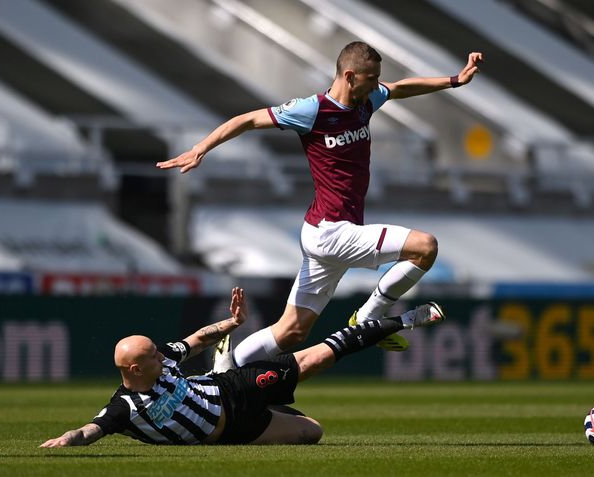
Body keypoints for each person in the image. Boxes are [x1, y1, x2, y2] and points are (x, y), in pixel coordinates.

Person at [157, 41, 483, 364]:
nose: (376, 86)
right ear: (350, 75)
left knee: (291, 332)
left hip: (327, 234)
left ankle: (223, 371)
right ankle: (369, 317)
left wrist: (455, 80)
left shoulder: (367, 100)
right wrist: (200, 148)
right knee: (425, 246)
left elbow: (398, 88)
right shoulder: (312, 110)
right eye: (371, 79)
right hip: (330, 231)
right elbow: (247, 120)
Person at [40, 287, 443, 447]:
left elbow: (195, 339)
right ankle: (248, 384)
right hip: (234, 430)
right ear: (133, 369)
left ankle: (402, 320)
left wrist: (231, 324)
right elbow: (90, 430)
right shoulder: (124, 408)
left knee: (315, 358)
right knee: (312, 434)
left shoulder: (161, 361)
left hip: (234, 390)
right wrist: (67, 440)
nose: (162, 356)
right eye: (153, 356)